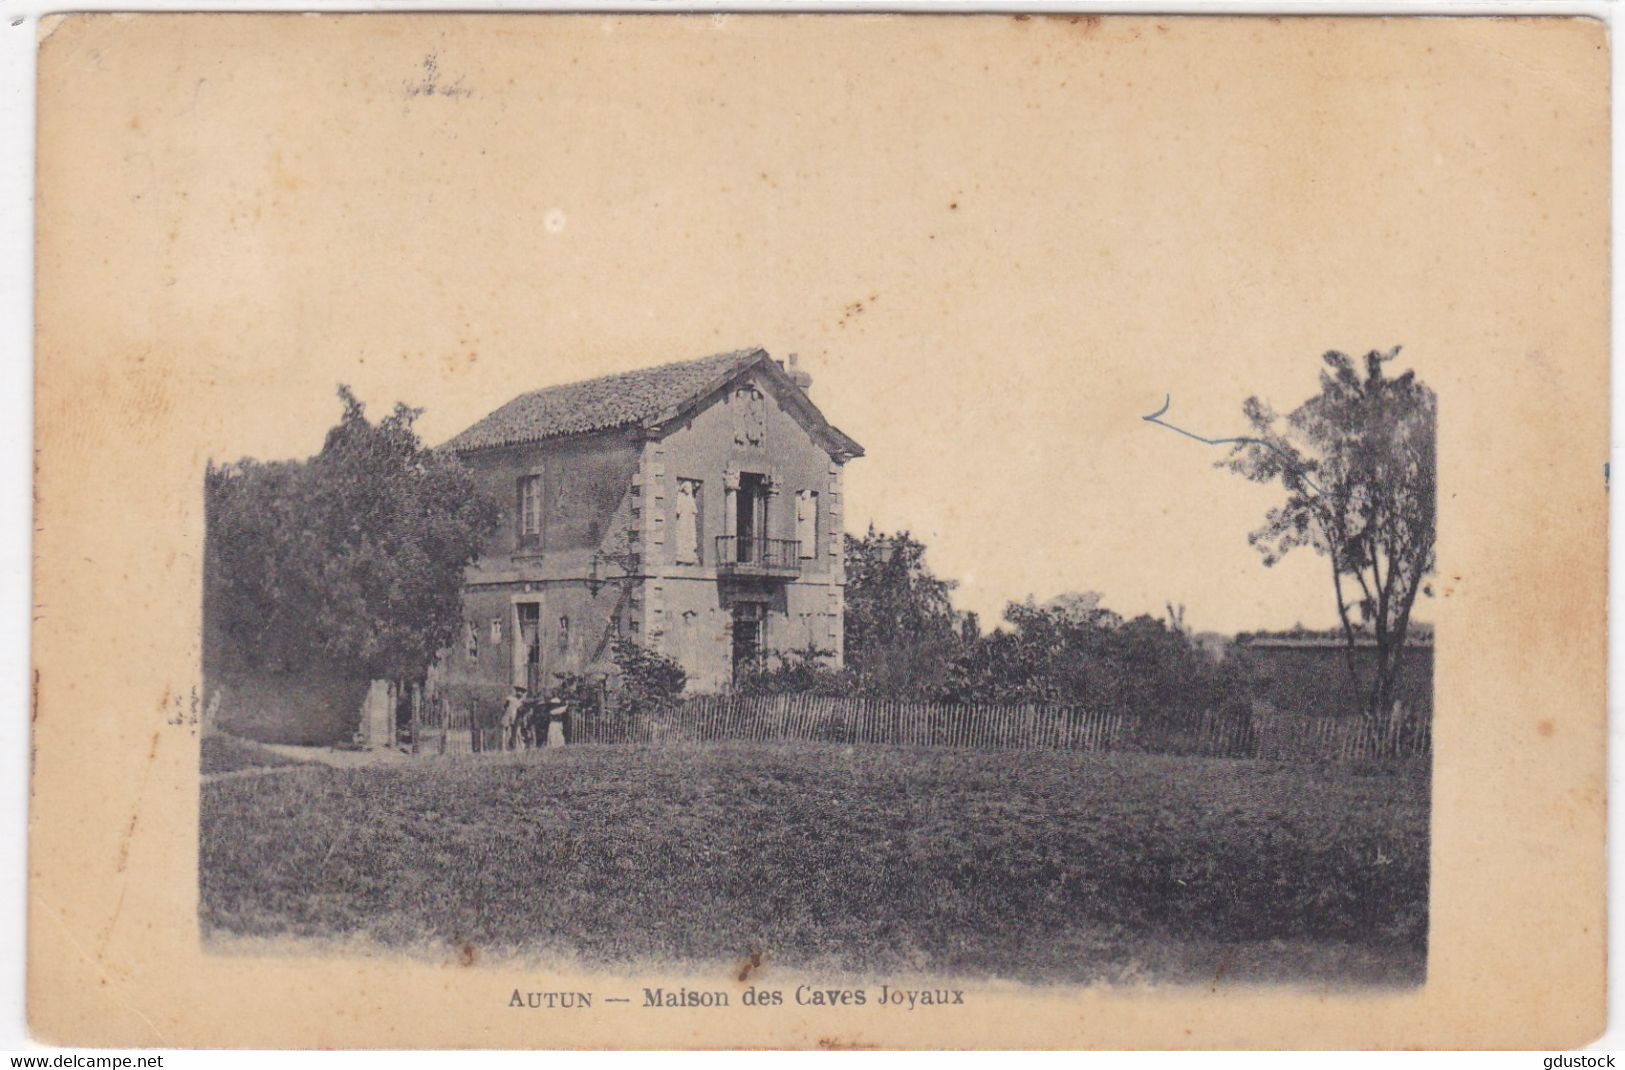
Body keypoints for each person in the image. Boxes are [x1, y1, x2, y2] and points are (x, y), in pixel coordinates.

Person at [501, 685, 526, 751]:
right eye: (518, 691)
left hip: (516, 719)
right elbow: (504, 707)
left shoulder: (521, 701)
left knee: (517, 732)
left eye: (521, 692)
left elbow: (521, 710)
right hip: (508, 717)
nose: (519, 693)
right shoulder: (510, 699)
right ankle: (505, 747)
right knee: (506, 732)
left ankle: (516, 747)